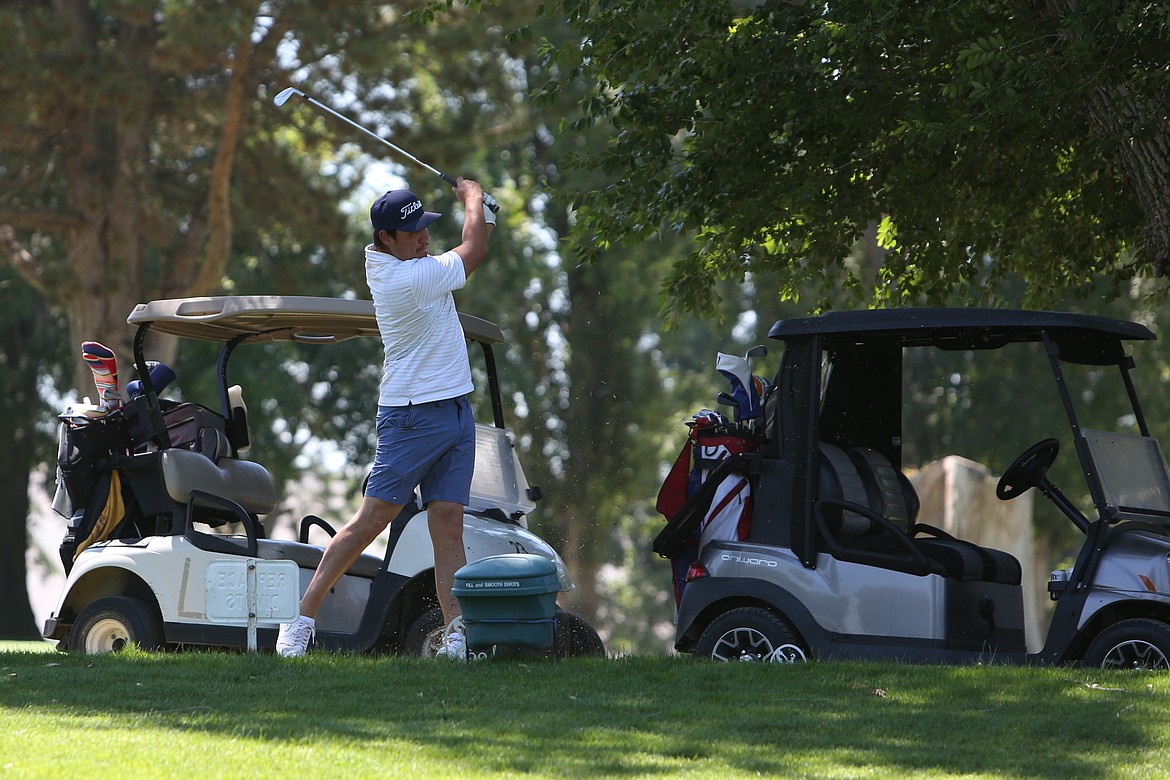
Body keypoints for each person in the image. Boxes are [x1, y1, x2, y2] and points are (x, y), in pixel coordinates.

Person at [277, 178, 495, 659]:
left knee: (448, 523)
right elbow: (475, 249)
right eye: (412, 232)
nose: (423, 238)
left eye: (425, 229)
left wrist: (483, 212)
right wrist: (475, 200)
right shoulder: (404, 279)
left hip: (455, 409)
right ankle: (300, 621)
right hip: (412, 415)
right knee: (373, 519)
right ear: (385, 240)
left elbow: (470, 245)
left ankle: (455, 636)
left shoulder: (413, 263)